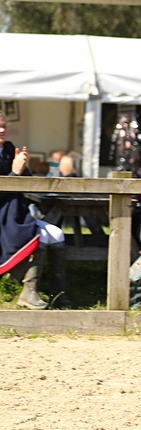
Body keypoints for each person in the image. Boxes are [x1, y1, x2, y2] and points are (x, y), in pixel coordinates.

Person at [1, 113, 70, 308]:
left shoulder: (8, 149)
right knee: (38, 235)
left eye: (4, 126)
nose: (2, 130)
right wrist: (14, 172)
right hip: (3, 216)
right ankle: (28, 292)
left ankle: (58, 293)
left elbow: (26, 182)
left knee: (57, 234)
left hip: (16, 211)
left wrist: (23, 167)